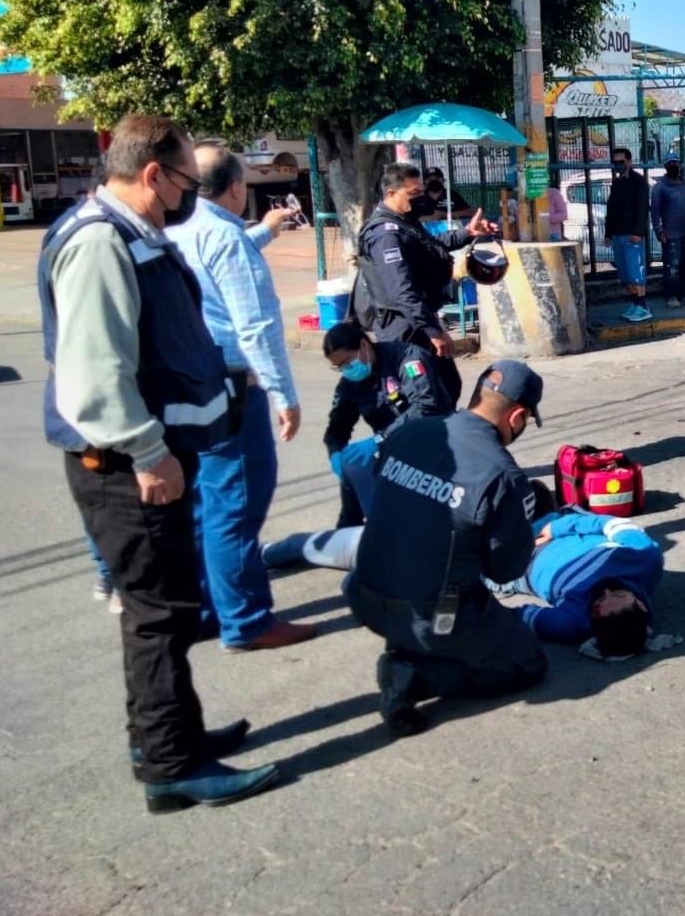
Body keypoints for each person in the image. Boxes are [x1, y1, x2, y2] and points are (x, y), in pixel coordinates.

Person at [38, 113, 280, 812]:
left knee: (164, 612)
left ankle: (169, 735)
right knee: (160, 615)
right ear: (153, 175)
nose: (190, 194)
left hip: (148, 456)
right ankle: (171, 764)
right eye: (184, 180)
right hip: (125, 466)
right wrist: (148, 452)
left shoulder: (132, 235)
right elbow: (93, 375)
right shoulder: (100, 243)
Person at [344, 361, 550, 736]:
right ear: (517, 416)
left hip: (363, 592)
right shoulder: (503, 475)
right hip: (432, 616)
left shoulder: (410, 432)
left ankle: (410, 647)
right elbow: (503, 571)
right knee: (527, 661)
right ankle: (414, 674)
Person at [168, 143, 314, 653]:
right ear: (235, 189)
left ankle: (211, 609)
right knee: (238, 503)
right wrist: (284, 394)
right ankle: (247, 621)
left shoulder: (179, 227)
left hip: (188, 381)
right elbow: (255, 325)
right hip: (233, 384)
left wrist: (266, 232)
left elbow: (222, 258)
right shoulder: (222, 237)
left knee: (207, 501)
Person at [354, 162, 495, 405]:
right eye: (413, 193)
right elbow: (402, 292)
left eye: (421, 191)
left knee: (447, 386)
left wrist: (468, 233)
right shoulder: (385, 234)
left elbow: (429, 243)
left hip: (418, 318)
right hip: (403, 327)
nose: (420, 197)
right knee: (422, 395)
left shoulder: (404, 220)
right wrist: (435, 331)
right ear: (391, 193)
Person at [317, 320, 458, 529]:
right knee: (351, 462)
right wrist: (335, 453)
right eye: (338, 367)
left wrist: (379, 440)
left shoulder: (407, 359)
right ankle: (350, 529)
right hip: (392, 447)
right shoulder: (349, 383)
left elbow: (426, 408)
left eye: (347, 362)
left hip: (435, 441)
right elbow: (337, 426)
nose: (346, 370)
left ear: (364, 346)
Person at [492, 512, 663, 660]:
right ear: (641, 604)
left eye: (600, 600)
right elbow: (610, 524)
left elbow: (515, 616)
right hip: (552, 529)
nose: (606, 590)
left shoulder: (571, 623)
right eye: (619, 594)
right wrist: (555, 528)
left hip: (515, 566)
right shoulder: (644, 557)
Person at [604, 146, 651, 322]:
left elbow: (642, 209)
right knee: (624, 273)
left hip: (632, 234)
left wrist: (638, 232)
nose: (618, 165)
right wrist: (608, 233)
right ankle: (635, 303)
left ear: (629, 162)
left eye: (621, 162)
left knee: (635, 272)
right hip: (617, 234)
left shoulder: (639, 182)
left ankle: (643, 306)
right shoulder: (617, 183)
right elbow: (611, 210)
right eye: (615, 162)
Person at [650, 154, 685, 308]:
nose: (674, 166)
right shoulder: (660, 187)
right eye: (671, 163)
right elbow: (654, 212)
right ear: (666, 167)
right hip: (671, 234)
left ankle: (684, 294)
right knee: (672, 266)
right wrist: (659, 231)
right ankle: (671, 296)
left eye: (676, 163)